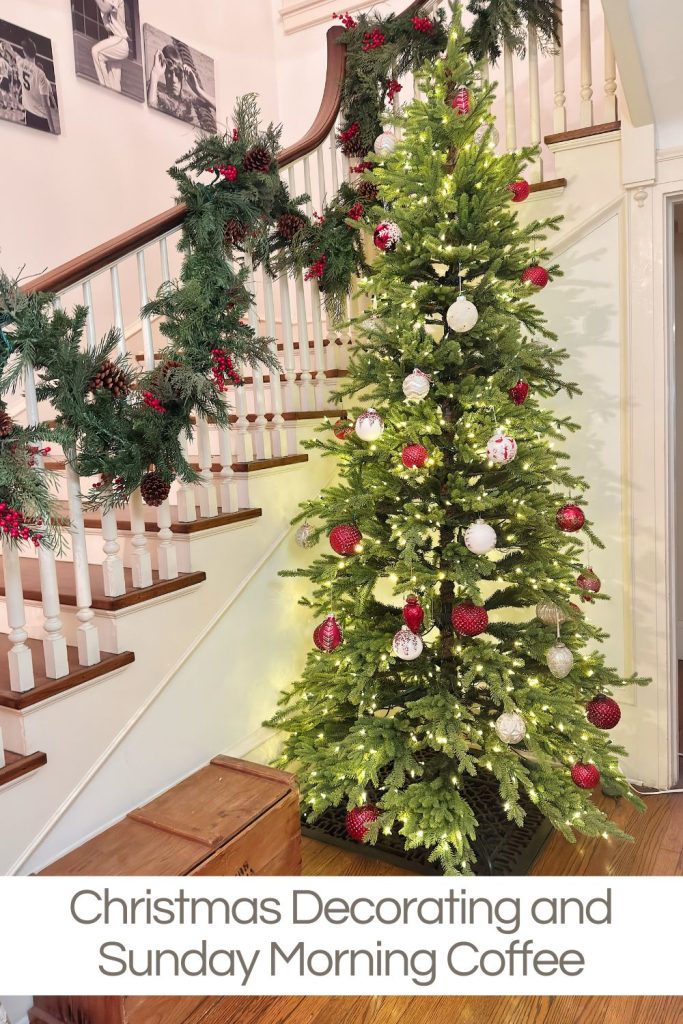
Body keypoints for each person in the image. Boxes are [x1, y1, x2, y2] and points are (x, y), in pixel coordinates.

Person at [147, 44, 215, 128]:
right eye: (169, 72)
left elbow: (218, 107)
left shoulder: (189, 98)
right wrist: (155, 74)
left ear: (183, 74)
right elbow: (150, 110)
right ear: (164, 71)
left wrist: (197, 89)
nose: (174, 80)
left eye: (177, 73)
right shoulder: (157, 92)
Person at [1, 38, 57, 133]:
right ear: (35, 53)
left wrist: (4, 45)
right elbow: (46, 105)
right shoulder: (40, 74)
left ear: (24, 52)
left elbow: (12, 52)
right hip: (41, 117)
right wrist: (52, 129)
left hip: (29, 115)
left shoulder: (20, 63)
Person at [91, 0, 129, 92]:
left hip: (119, 40)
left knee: (96, 52)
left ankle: (105, 92)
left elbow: (105, 8)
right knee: (114, 85)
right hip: (113, 40)